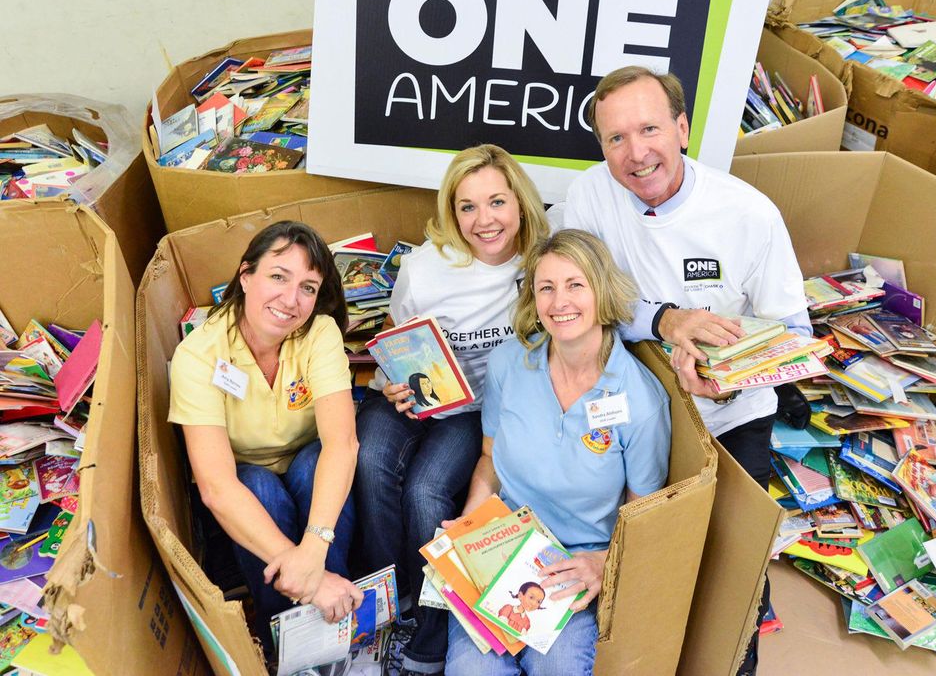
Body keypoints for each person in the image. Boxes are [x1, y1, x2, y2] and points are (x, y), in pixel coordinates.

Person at [560, 66, 812, 674]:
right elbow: (584, 300)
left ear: (682, 127)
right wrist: (668, 319)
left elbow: (796, 338)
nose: (635, 153)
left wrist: (727, 372)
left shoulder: (749, 214)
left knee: (731, 575)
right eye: (615, 138)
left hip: (729, 416)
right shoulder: (590, 194)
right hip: (631, 408)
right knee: (645, 555)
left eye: (649, 129)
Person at [354, 144, 549, 675]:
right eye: (467, 207)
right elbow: (396, 343)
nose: (484, 221)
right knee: (368, 461)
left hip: (473, 410)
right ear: (451, 211)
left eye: (496, 203)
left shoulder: (540, 264)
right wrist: (394, 383)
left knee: (426, 489)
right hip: (407, 398)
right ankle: (391, 599)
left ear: (520, 203)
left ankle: (433, 614)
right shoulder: (425, 268)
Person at [444, 229, 671, 676]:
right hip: (503, 547)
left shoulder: (641, 400)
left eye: (575, 285)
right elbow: (489, 458)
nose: (559, 301)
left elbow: (643, 510)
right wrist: (471, 526)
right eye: (546, 287)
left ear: (601, 291)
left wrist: (604, 564)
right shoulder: (510, 362)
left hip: (576, 563)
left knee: (561, 670)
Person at [168, 221, 361, 660]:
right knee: (257, 486)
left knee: (316, 463)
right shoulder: (199, 355)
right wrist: (305, 573)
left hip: (309, 464)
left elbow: (342, 445)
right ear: (245, 276)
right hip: (244, 478)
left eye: (308, 287)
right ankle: (288, 633)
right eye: (278, 276)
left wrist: (312, 550)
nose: (291, 300)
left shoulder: (319, 333)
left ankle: (337, 623)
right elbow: (216, 486)